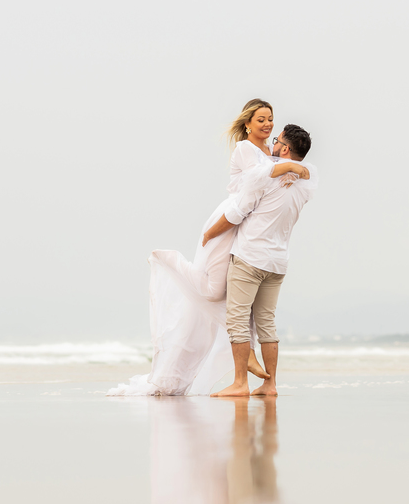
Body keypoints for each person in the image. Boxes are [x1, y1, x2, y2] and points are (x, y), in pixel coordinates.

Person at [108, 101, 310, 396]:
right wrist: (291, 166)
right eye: (261, 119)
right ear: (247, 124)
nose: (268, 125)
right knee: (215, 291)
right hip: (228, 219)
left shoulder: (270, 152)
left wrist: (291, 169)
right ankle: (171, 260)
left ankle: (249, 361)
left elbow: (276, 179)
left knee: (237, 302)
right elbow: (257, 178)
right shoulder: (245, 149)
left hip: (245, 227)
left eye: (270, 119)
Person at [204, 124, 316, 398]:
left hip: (250, 256)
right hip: (278, 262)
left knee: (237, 319)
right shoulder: (307, 181)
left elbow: (237, 213)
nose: (272, 144)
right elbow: (305, 172)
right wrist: (295, 169)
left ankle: (240, 383)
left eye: (277, 141)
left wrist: (208, 234)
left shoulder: (266, 178)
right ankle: (270, 384)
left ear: (285, 149)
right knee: (266, 322)